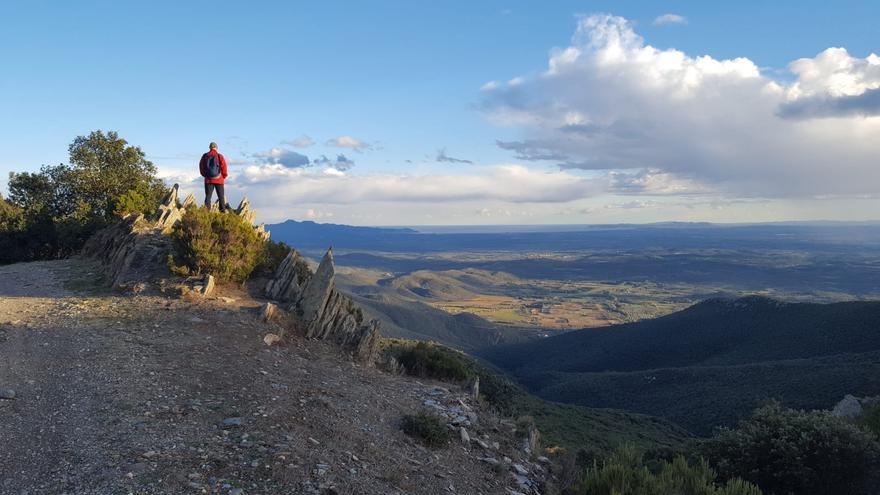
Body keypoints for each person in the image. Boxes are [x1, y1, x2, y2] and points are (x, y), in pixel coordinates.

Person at [199, 142, 229, 211]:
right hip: (219, 180)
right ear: (216, 148)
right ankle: (222, 211)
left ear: (209, 148)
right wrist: (224, 176)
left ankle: (206, 212)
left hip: (208, 180)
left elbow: (201, 167)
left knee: (208, 197)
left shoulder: (205, 156)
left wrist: (205, 175)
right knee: (221, 197)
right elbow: (224, 167)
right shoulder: (219, 156)